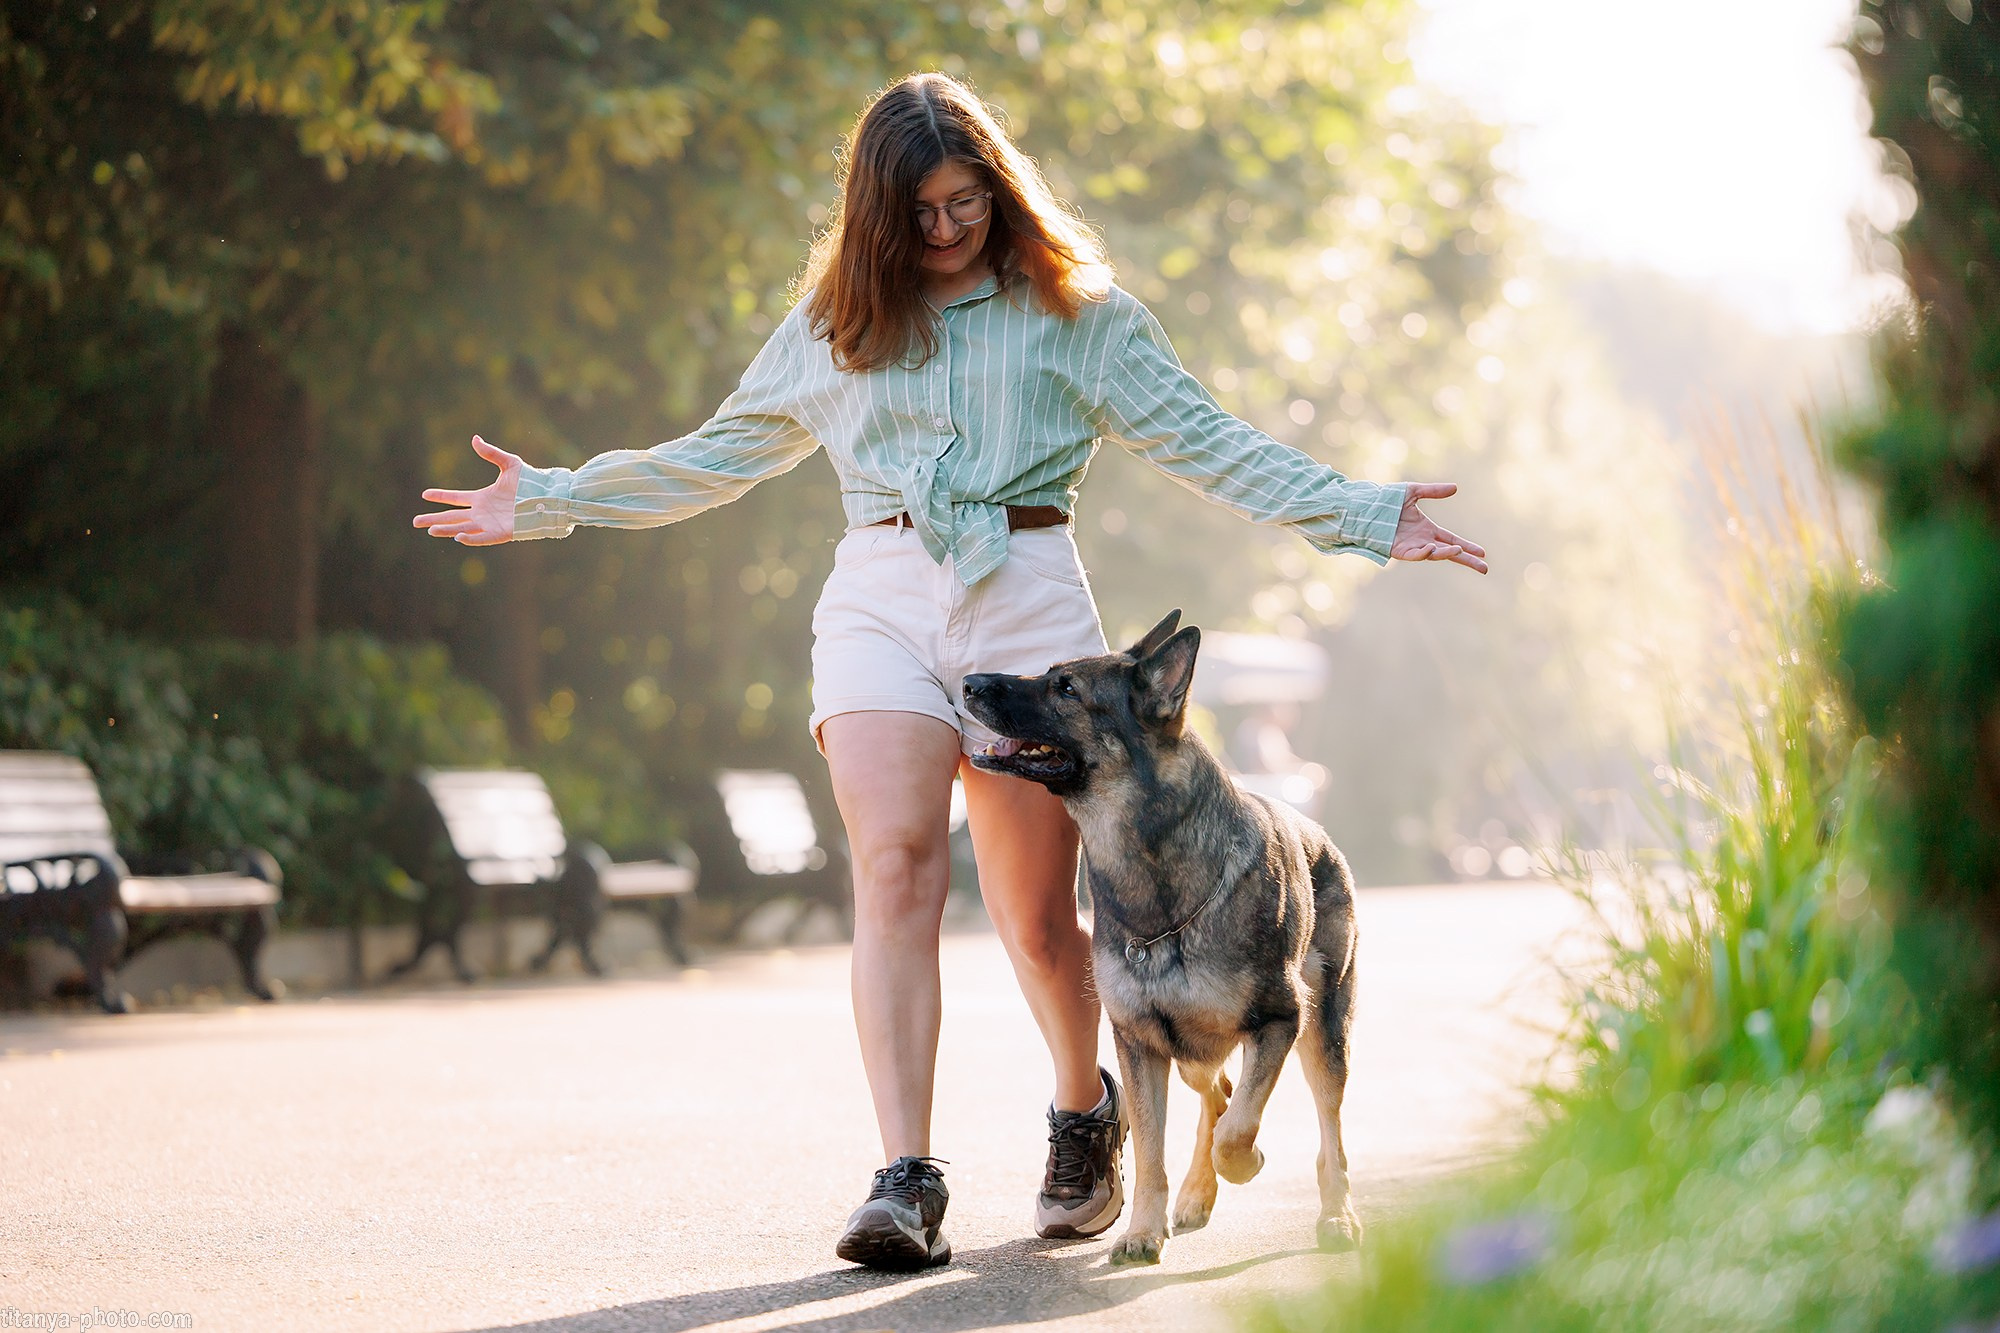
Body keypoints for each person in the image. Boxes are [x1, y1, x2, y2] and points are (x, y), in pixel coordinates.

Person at [413, 71, 1486, 1272]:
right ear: (875, 215)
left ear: (998, 188)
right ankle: (904, 1175)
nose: (944, 227)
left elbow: (1209, 443)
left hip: (1026, 597)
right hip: (877, 595)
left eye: (964, 201)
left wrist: (1361, 513)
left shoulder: (1078, 315)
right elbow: (713, 456)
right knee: (894, 866)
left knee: (1035, 921)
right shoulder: (833, 324)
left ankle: (1083, 1112)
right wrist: (552, 498)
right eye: (917, 211)